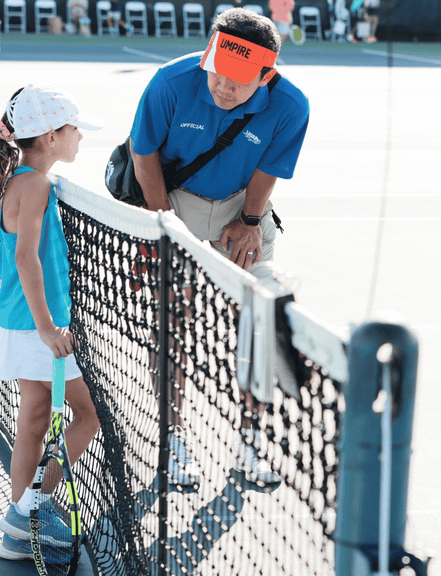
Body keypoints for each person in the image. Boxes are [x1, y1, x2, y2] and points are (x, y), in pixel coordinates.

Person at [128, 7, 310, 487]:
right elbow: (142, 152)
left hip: (240, 209)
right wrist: (160, 222)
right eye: (218, 73)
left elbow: (268, 167)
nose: (223, 87)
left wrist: (251, 221)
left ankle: (248, 446)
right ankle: (174, 442)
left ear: (267, 75)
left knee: (257, 327)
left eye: (239, 80)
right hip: (172, 203)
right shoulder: (171, 82)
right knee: (172, 325)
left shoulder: (291, 105)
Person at [0, 84, 104, 562]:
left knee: (32, 417)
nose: (79, 139)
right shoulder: (36, 185)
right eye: (74, 131)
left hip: (22, 322)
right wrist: (49, 328)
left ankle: (21, 516)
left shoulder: (21, 180)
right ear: (50, 136)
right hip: (35, 326)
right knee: (88, 414)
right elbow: (26, 258)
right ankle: (31, 508)